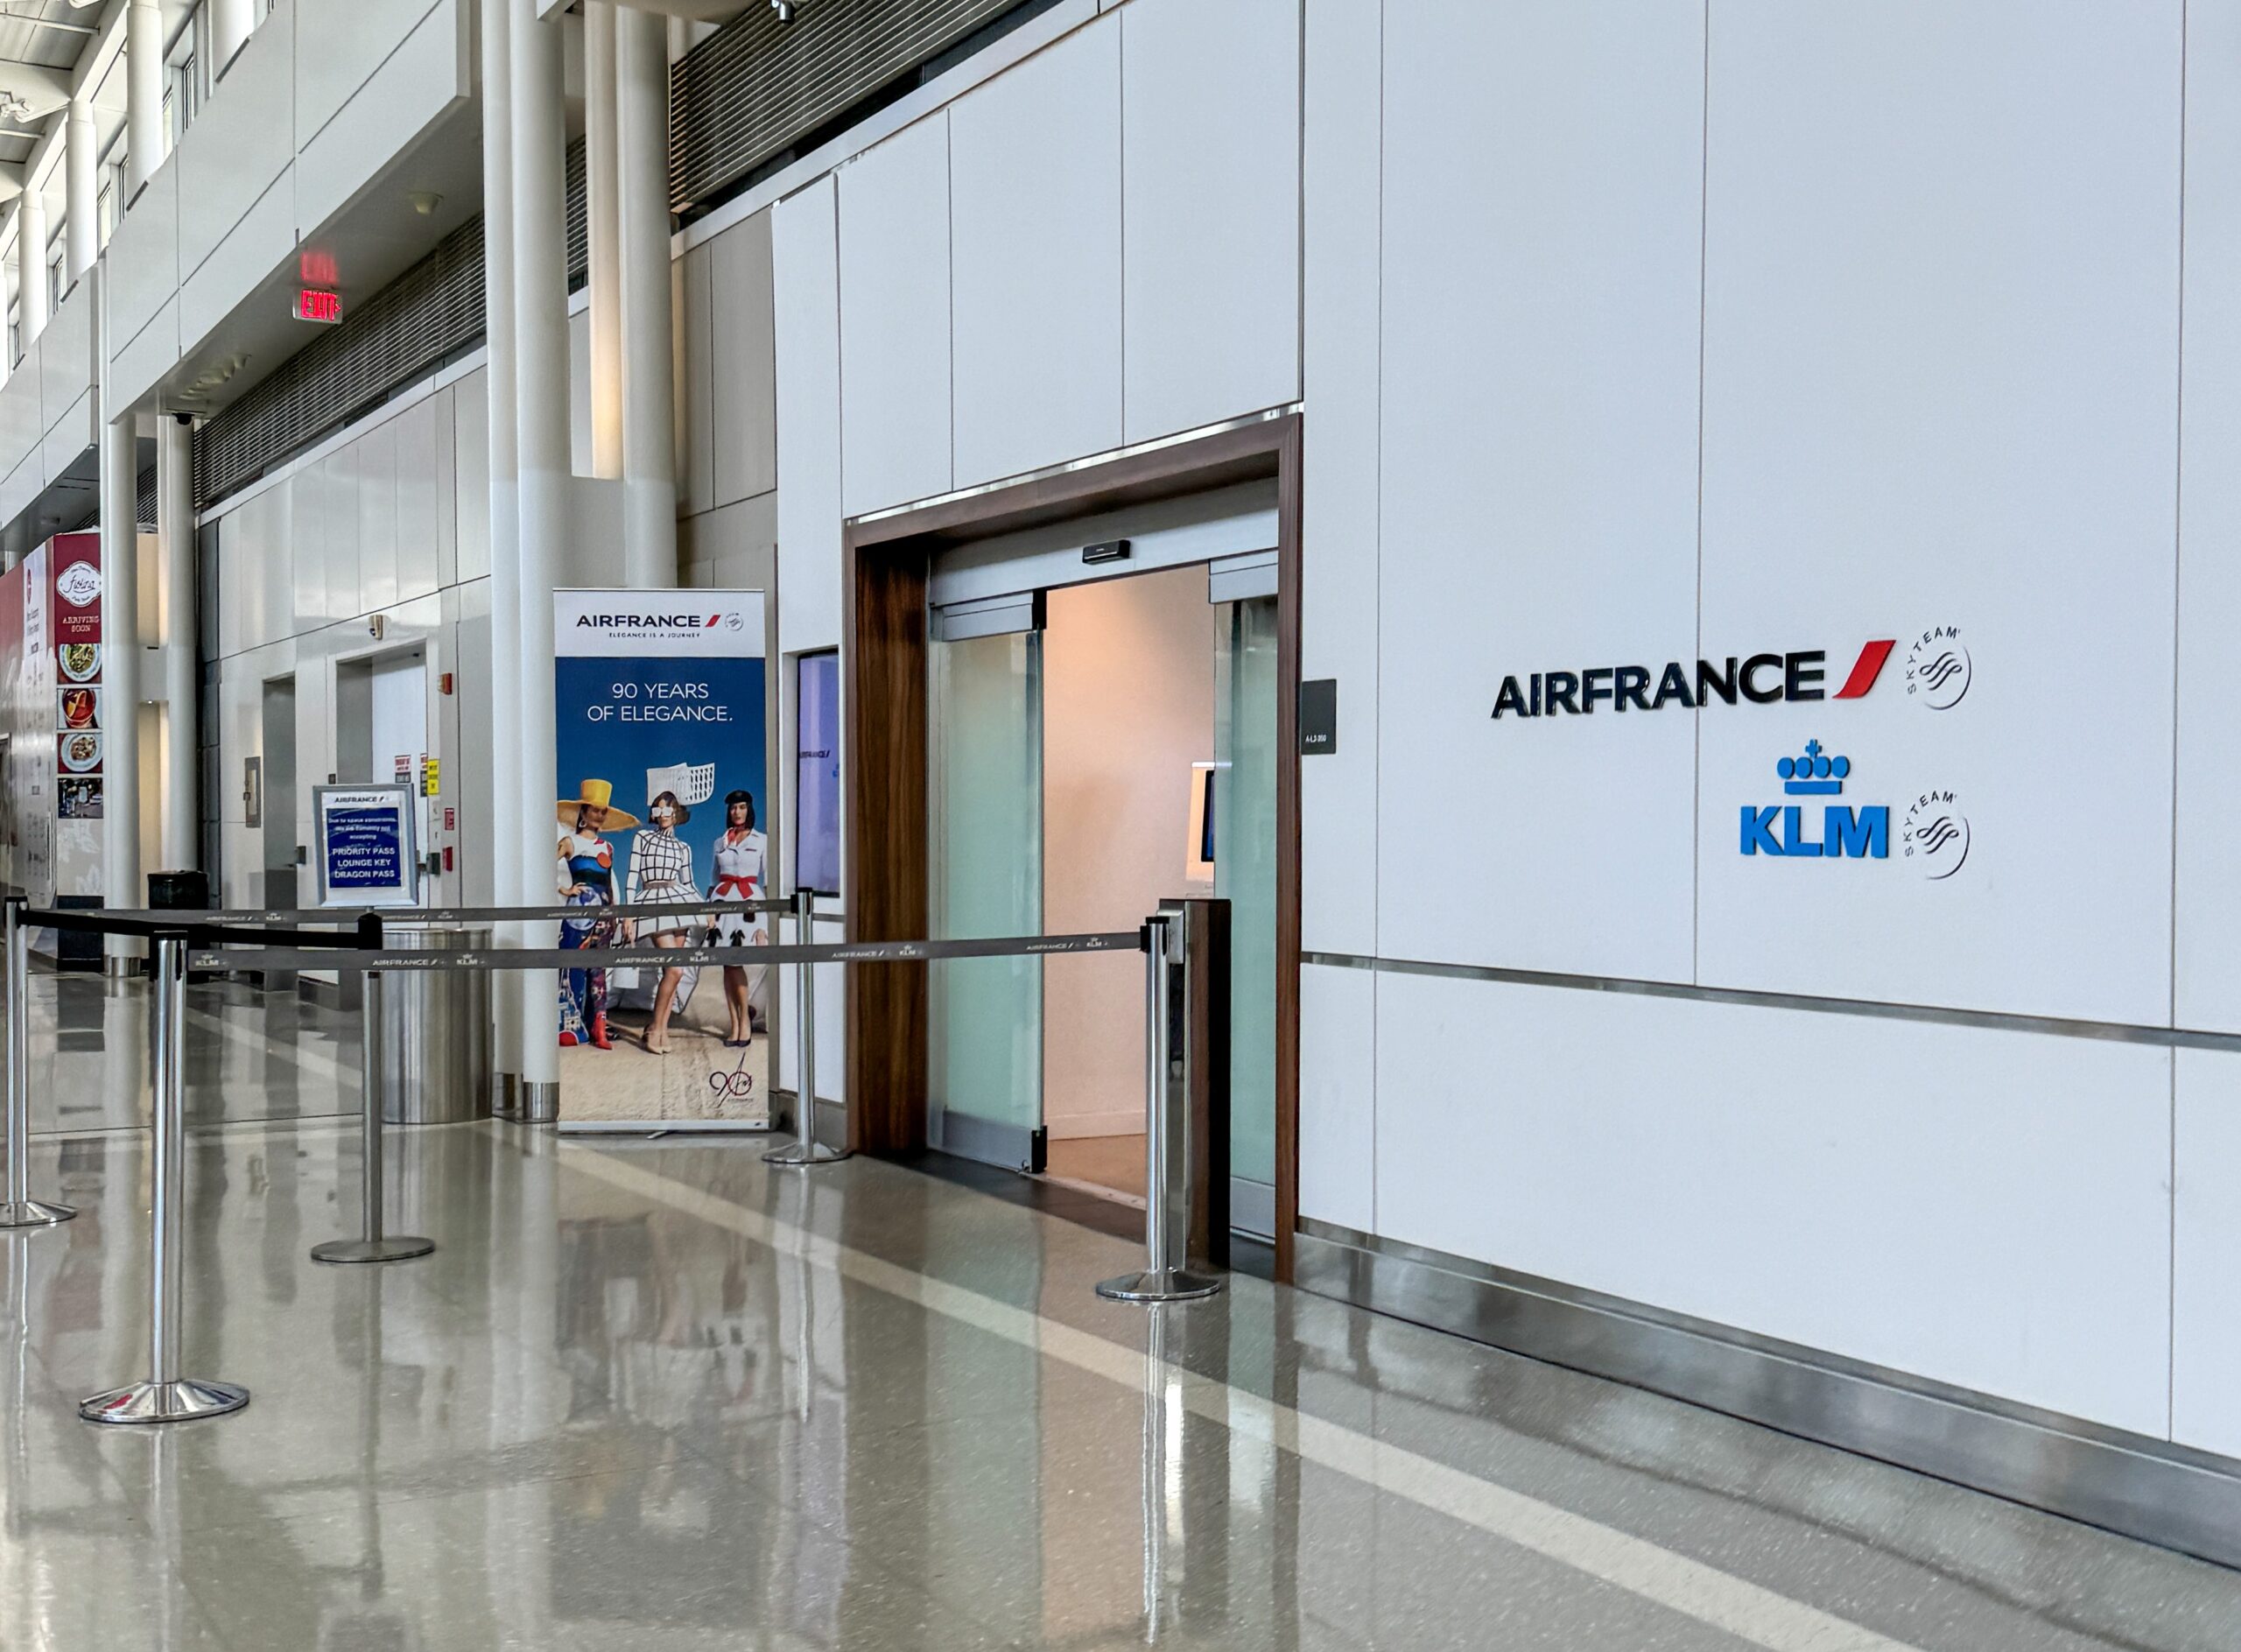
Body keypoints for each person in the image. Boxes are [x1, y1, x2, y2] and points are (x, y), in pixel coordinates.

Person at [556, 779, 636, 1051]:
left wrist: (617, 915)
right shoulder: (569, 842)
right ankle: (570, 1026)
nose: (599, 815)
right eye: (595, 810)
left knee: (598, 971)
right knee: (572, 966)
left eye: (603, 811)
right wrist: (564, 889)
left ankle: (598, 1025)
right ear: (584, 811)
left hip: (603, 914)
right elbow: (538, 865)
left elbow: (609, 885)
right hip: (577, 915)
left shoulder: (608, 848)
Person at [627, 789, 696, 1054]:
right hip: (652, 899)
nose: (663, 813)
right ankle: (655, 1028)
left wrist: (707, 911)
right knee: (676, 969)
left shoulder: (684, 848)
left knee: (673, 973)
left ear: (676, 813)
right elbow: (632, 876)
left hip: (680, 901)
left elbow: (689, 882)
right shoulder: (643, 838)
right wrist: (628, 912)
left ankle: (662, 1030)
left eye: (668, 808)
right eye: (658, 808)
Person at [707, 791, 769, 1046]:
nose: (737, 812)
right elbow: (713, 880)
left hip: (748, 905)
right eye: (733, 808)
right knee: (726, 964)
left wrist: (764, 925)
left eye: (742, 807)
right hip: (722, 904)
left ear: (749, 809)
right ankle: (734, 1023)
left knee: (736, 962)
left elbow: (769, 882)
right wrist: (708, 913)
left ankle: (745, 1019)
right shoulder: (720, 842)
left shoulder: (761, 840)